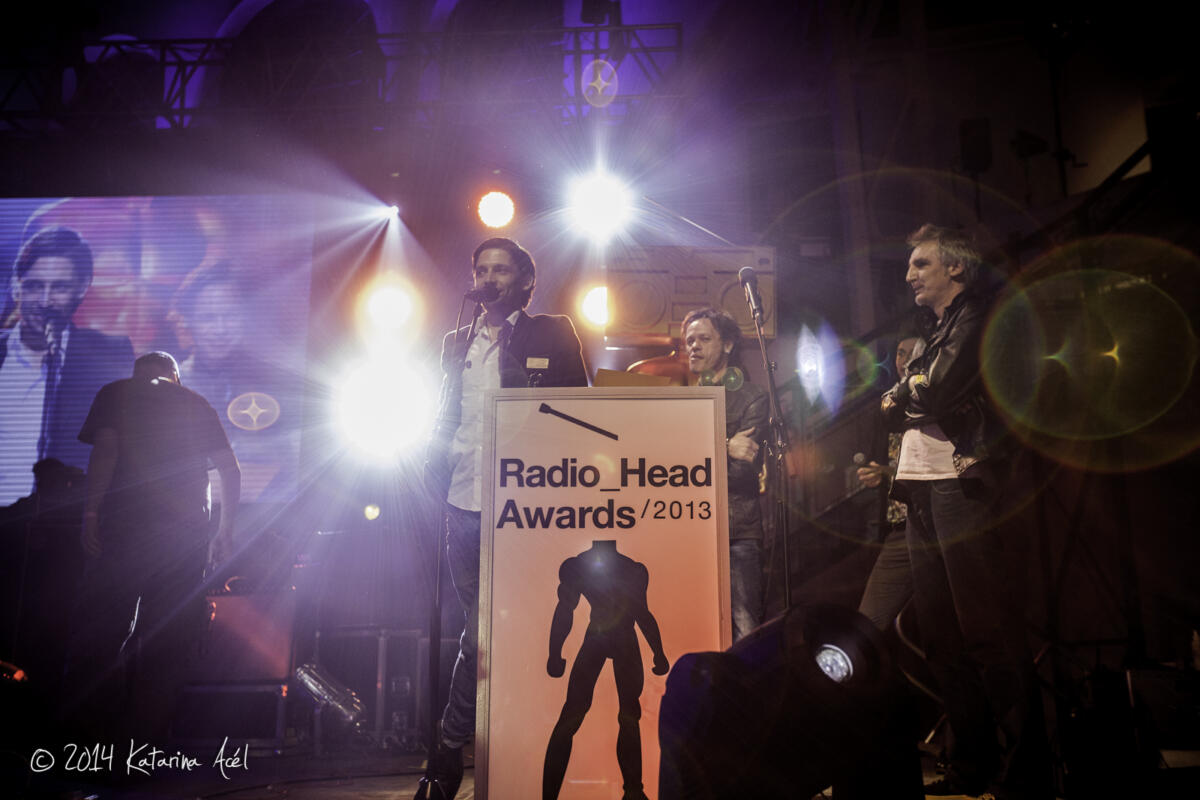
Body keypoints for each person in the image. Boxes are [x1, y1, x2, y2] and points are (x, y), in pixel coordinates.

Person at [881, 224, 1047, 798]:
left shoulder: (977, 314)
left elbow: (936, 391)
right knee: (941, 637)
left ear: (955, 267)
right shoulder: (935, 329)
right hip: (920, 487)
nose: (909, 274)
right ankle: (972, 765)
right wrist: (910, 388)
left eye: (921, 264)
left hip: (961, 480)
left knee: (988, 630)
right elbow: (894, 405)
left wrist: (907, 389)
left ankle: (1025, 773)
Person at [421, 237, 589, 799]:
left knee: (488, 631)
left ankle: (449, 748)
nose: (488, 279)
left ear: (524, 280)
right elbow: (446, 415)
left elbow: (578, 411)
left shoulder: (551, 332)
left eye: (501, 270)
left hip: (522, 504)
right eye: (481, 270)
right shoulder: (455, 341)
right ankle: (484, 752)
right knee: (482, 633)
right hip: (461, 501)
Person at [73, 351, 240, 741]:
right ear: (175, 376)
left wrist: (91, 514)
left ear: (137, 373)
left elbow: (106, 451)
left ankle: (89, 744)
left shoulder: (116, 392)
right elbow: (229, 469)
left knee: (104, 633)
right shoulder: (196, 402)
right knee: (167, 642)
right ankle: (142, 749)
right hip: (185, 537)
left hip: (124, 530)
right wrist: (225, 531)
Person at [0, 226, 133, 504]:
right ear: (16, 284)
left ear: (81, 288)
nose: (44, 301)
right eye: (34, 286)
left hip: (66, 518)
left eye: (59, 287)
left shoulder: (108, 355)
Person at [543, 540, 669, 800]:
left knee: (616, 714)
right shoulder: (626, 569)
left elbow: (641, 613)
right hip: (611, 636)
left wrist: (555, 654)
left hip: (608, 636)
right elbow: (641, 613)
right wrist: (658, 653)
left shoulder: (590, 567)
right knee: (593, 714)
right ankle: (632, 791)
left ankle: (633, 791)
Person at [680, 307, 768, 643]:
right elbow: (671, 464)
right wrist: (725, 444)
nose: (694, 346)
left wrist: (696, 453)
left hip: (737, 530)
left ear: (728, 345)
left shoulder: (752, 397)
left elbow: (742, 471)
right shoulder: (681, 401)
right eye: (689, 340)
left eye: (703, 338)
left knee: (745, 631)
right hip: (690, 528)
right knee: (695, 627)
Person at [856, 335, 920, 630]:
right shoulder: (888, 407)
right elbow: (880, 462)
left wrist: (887, 473)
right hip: (899, 529)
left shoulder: (937, 403)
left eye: (912, 353)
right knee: (869, 622)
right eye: (899, 353)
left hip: (934, 526)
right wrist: (875, 474)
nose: (904, 360)